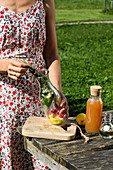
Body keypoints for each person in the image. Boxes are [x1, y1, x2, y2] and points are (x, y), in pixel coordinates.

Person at [0, 0, 69, 169]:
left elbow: (52, 55)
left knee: (43, 160)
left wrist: (56, 92)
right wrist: (5, 66)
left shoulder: (44, 1)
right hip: (3, 107)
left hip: (39, 103)